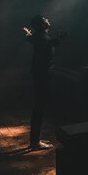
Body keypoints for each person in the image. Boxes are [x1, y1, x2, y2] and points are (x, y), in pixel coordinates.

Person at [23, 14, 67, 150]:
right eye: (45, 20)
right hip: (42, 75)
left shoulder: (36, 36)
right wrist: (60, 38)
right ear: (42, 25)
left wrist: (28, 33)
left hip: (38, 73)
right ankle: (35, 142)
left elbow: (32, 38)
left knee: (39, 106)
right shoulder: (43, 38)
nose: (48, 20)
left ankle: (35, 140)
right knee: (39, 107)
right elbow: (49, 43)